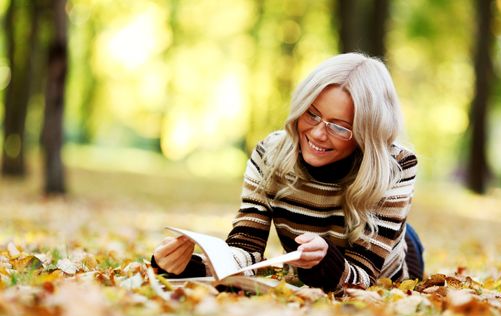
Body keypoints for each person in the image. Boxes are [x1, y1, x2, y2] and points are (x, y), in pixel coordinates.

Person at [152, 52, 424, 293]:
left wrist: (326, 260)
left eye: (340, 127)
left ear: (366, 132)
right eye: (312, 114)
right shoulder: (269, 154)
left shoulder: (396, 166)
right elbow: (246, 247)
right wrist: (189, 266)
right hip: (318, 263)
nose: (318, 133)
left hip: (391, 258)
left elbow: (364, 276)